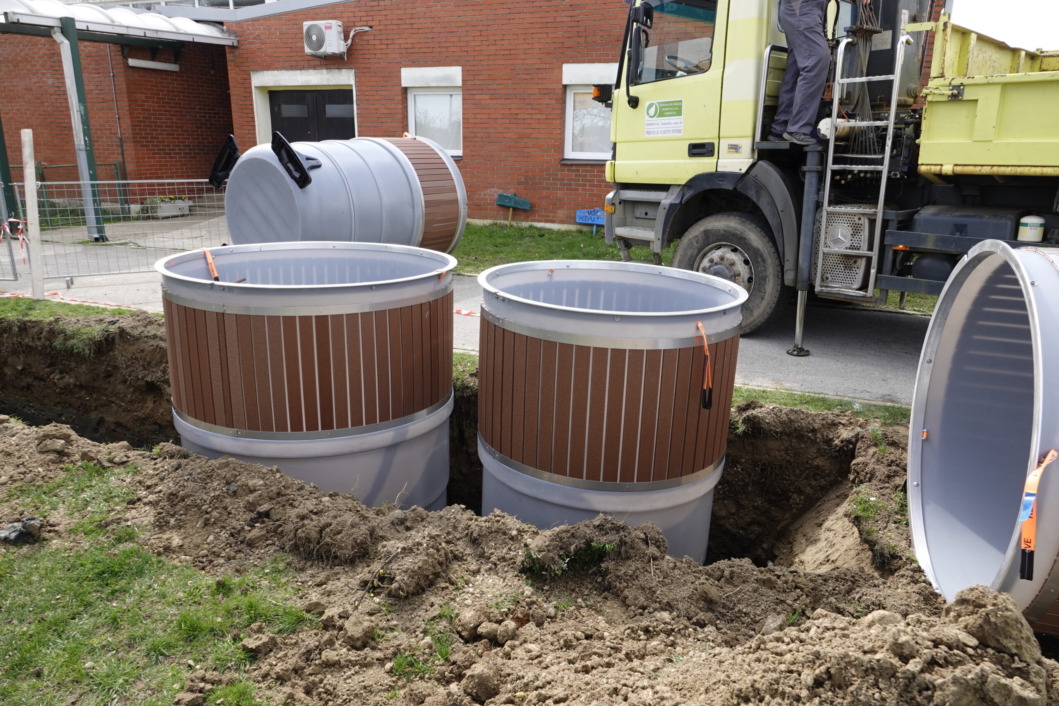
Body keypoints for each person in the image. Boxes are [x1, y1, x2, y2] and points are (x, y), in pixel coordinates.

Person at [769, 0, 869, 146]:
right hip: (803, 8)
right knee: (816, 59)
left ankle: (780, 127)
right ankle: (797, 128)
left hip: (805, 10)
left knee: (797, 66)